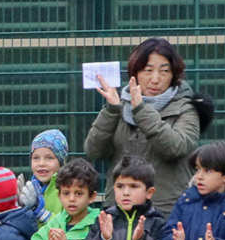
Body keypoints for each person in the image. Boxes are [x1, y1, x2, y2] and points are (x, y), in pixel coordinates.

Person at [86, 37, 205, 211]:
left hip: (166, 212)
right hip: (119, 212)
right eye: (148, 71)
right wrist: (112, 110)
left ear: (173, 75)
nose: (155, 79)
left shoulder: (185, 108)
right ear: (135, 73)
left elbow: (176, 147)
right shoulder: (120, 107)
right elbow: (93, 150)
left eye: (164, 71)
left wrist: (141, 110)